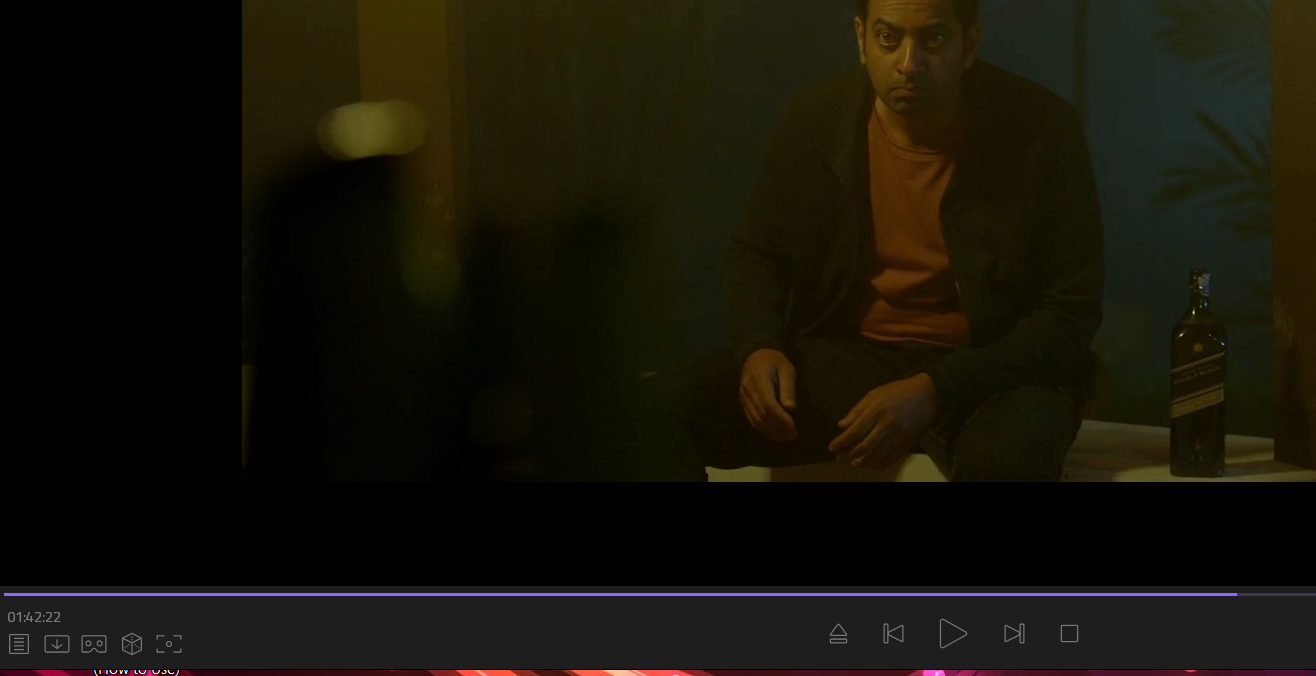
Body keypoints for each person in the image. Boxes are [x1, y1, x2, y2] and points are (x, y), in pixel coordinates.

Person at [632, 0, 1104, 481]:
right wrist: (759, 346)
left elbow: (1070, 313)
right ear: (861, 39)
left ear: (970, 45)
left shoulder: (1042, 129)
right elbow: (758, 252)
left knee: (1007, 464)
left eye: (934, 39)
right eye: (888, 38)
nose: (908, 63)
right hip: (854, 356)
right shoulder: (816, 117)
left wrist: (935, 388)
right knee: (644, 414)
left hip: (989, 370)